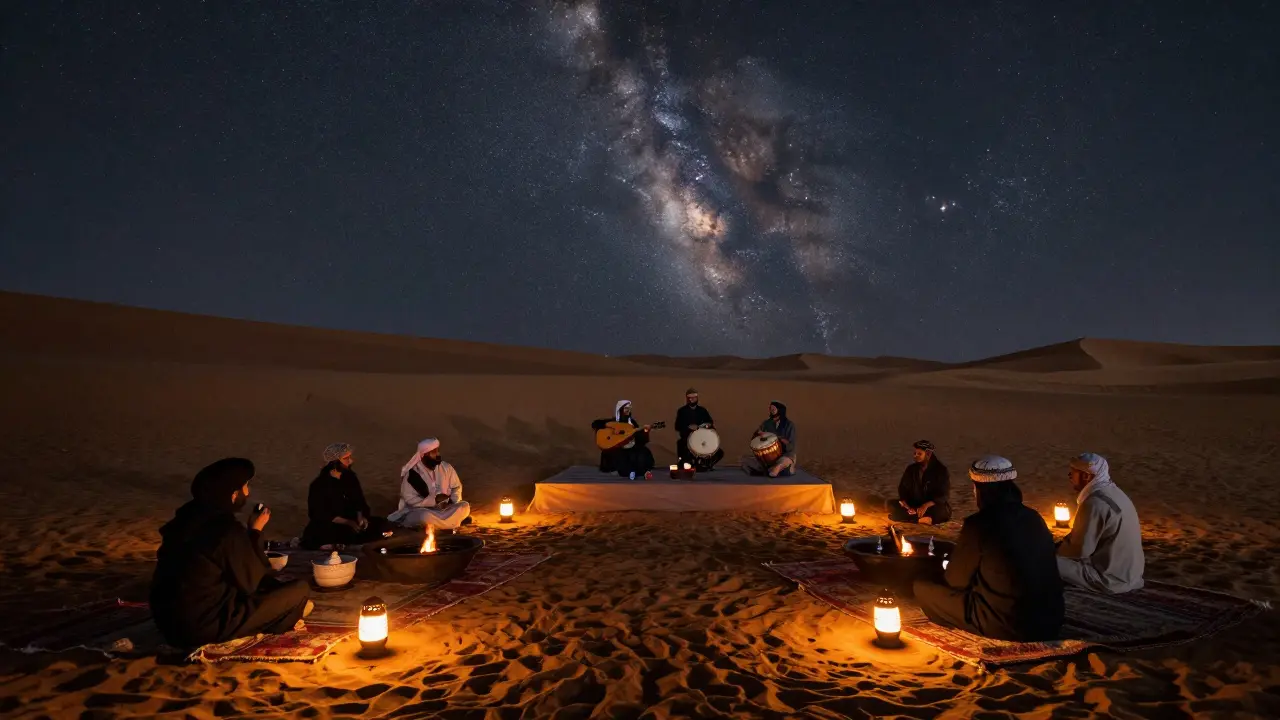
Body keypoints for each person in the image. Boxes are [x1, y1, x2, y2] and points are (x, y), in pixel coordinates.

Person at [150, 458, 312, 649]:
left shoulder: (183, 520)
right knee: (299, 591)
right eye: (245, 486)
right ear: (233, 494)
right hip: (203, 627)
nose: (248, 492)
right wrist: (254, 532)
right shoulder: (225, 530)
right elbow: (252, 582)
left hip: (166, 624)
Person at [912, 455, 1065, 642]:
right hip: (1052, 622)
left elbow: (955, 582)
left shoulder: (978, 524)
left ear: (979, 490)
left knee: (922, 587)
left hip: (1008, 624)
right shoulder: (1035, 517)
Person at [1056, 452, 1145, 593]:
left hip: (1110, 579)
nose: (1070, 477)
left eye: (1072, 473)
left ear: (1086, 476)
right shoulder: (1115, 493)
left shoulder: (1094, 503)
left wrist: (1054, 550)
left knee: (1043, 561)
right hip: (1132, 575)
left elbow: (1080, 550)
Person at [301, 443, 394, 549]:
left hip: (352, 520)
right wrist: (348, 522)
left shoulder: (350, 477)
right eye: (346, 458)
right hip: (333, 523)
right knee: (323, 532)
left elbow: (359, 501)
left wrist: (361, 517)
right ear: (334, 462)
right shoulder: (319, 484)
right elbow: (319, 513)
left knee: (381, 524)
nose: (350, 461)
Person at [387, 438, 472, 530]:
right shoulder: (413, 474)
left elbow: (456, 487)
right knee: (424, 516)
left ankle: (439, 525)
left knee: (464, 506)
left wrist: (452, 501)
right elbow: (409, 499)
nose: (438, 454)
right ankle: (450, 524)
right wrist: (434, 501)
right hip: (422, 510)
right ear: (425, 455)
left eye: (437, 451)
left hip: (444, 509)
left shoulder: (446, 468)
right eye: (434, 452)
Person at [886, 440, 952, 525]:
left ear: (928, 454)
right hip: (914, 505)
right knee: (891, 504)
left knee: (942, 511)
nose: (915, 456)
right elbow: (902, 488)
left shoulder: (941, 470)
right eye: (915, 453)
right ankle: (920, 519)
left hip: (931, 506)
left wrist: (925, 505)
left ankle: (913, 519)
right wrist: (906, 505)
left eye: (919, 454)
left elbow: (944, 495)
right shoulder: (911, 469)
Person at [591, 400, 656, 479]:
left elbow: (640, 439)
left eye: (629, 408)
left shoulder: (632, 423)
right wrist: (613, 428)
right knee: (619, 457)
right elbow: (595, 423)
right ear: (620, 409)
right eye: (626, 408)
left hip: (630, 447)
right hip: (618, 448)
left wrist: (645, 431)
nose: (628, 410)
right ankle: (630, 472)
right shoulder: (613, 421)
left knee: (642, 453)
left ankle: (641, 472)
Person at [742, 401, 797, 477]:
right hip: (767, 457)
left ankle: (776, 469)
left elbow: (791, 446)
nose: (771, 410)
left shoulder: (789, 425)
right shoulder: (766, 423)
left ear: (780, 410)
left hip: (784, 455)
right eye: (770, 409)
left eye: (773, 409)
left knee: (785, 461)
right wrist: (759, 433)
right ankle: (770, 470)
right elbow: (757, 434)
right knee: (745, 460)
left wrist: (777, 438)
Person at [675, 387, 723, 470]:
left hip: (702, 438)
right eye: (690, 398)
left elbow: (710, 422)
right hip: (687, 438)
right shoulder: (682, 411)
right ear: (687, 399)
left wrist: (707, 425)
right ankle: (692, 464)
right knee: (682, 446)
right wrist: (688, 426)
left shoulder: (702, 410)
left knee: (719, 453)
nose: (692, 400)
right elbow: (677, 426)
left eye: (694, 398)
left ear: (697, 398)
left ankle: (705, 464)